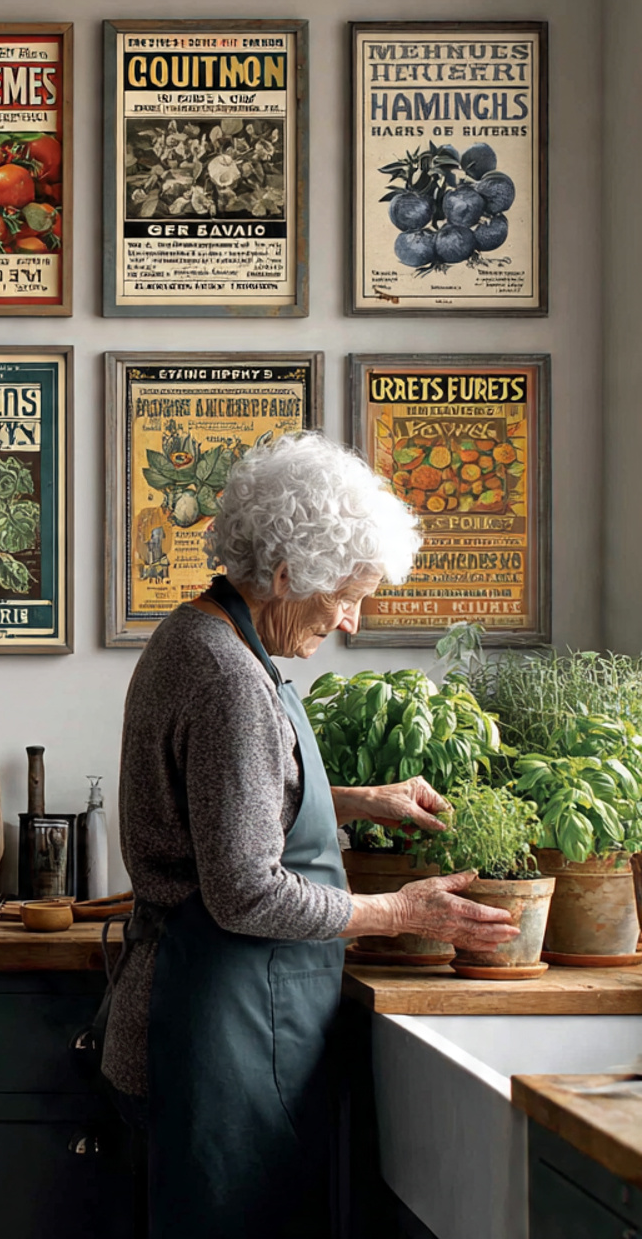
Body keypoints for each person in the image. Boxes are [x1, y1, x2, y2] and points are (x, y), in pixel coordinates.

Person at [101, 431, 519, 1238]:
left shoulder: (195, 635)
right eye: (347, 596)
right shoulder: (230, 680)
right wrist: (400, 912)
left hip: (209, 1019)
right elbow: (246, 892)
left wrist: (358, 801)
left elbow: (229, 804)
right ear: (289, 575)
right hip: (216, 1037)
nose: (351, 622)